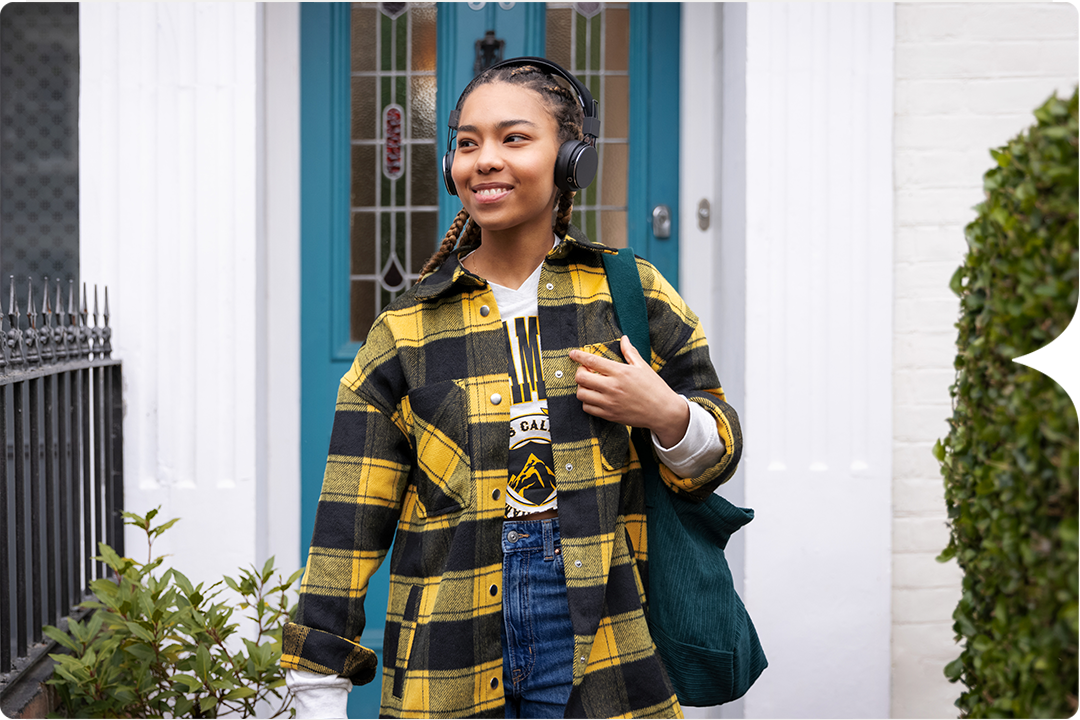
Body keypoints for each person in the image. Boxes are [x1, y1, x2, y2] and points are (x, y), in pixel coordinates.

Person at [281, 57, 742, 719]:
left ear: (571, 160)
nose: (484, 159)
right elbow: (346, 527)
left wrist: (667, 414)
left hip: (603, 635)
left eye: (514, 138)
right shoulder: (406, 331)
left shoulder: (630, 294)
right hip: (449, 646)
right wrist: (316, 688)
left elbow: (718, 453)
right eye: (467, 143)